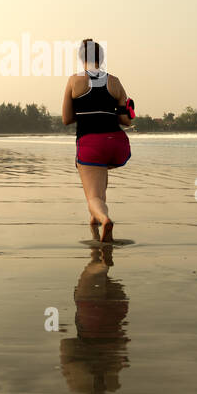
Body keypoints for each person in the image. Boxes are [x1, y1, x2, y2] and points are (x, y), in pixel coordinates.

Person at [61, 38, 132, 242]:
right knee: (100, 187)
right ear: (101, 58)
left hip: (91, 142)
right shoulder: (115, 81)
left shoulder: (75, 81)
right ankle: (94, 221)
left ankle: (104, 218)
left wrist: (85, 113)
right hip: (116, 142)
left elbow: (66, 119)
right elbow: (126, 119)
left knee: (93, 197)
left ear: (80, 58)